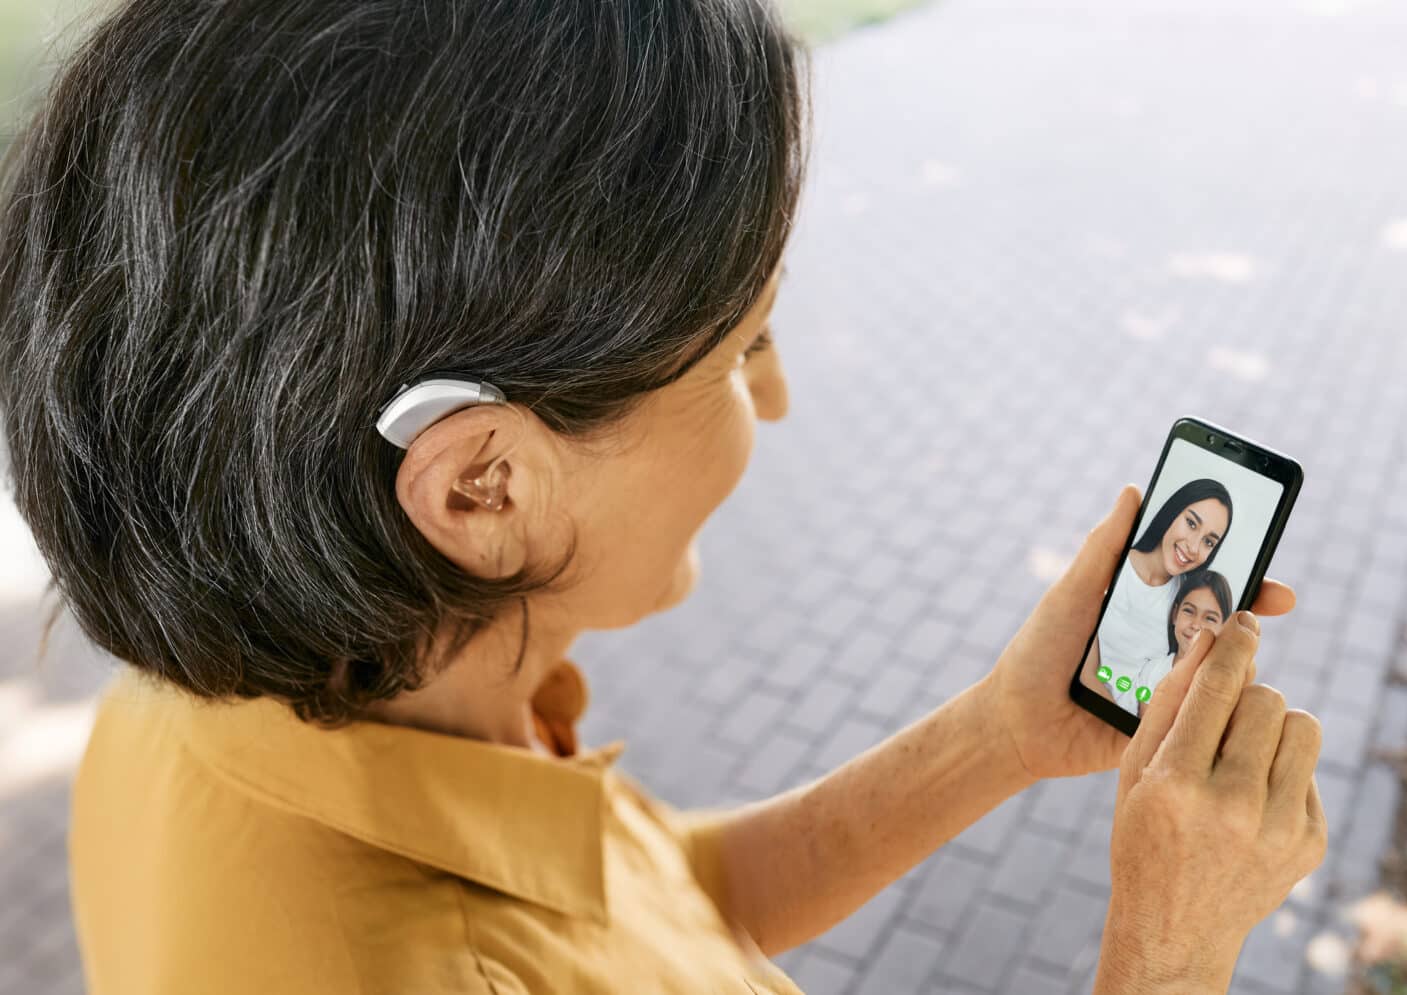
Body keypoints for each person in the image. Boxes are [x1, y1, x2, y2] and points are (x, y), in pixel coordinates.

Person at [0, 2, 1325, 993]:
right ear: (484, 482)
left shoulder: (232, 686)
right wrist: (1173, 945)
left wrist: (1000, 732)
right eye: (745, 346)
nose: (784, 392)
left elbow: (669, 910)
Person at [1088, 478, 1234, 684]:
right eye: (1191, 523)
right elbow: (1085, 671)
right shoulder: (1111, 566)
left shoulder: (1188, 602)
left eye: (1208, 542)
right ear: (1172, 512)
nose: (1193, 547)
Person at [1111, 569, 1234, 714]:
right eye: (1189, 611)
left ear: (1223, 629)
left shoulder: (1217, 685)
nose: (1195, 625)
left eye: (1210, 618)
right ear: (1175, 614)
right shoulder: (1153, 670)